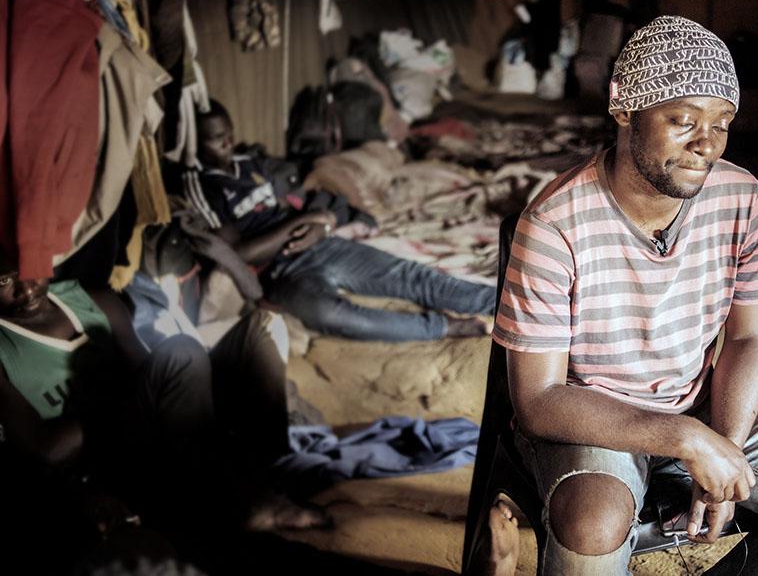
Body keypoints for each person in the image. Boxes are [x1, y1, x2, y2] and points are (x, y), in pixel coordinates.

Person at [490, 16, 758, 574]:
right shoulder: (555, 224)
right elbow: (539, 401)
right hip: (594, 410)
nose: (707, 144)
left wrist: (724, 444)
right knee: (593, 519)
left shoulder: (743, 198)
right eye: (683, 120)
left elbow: (749, 338)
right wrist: (687, 439)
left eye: (723, 123)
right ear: (625, 109)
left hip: (701, 402)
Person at [0, 259, 323, 571]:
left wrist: (144, 391)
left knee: (262, 326)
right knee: (181, 354)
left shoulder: (90, 299)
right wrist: (127, 395)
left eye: (28, 270)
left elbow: (151, 376)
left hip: (163, 432)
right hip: (108, 460)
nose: (25, 290)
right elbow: (45, 449)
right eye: (3, 281)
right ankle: (237, 498)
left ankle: (259, 474)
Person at [182, 100, 495, 342]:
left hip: (320, 244)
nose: (227, 143)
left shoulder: (249, 164)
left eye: (229, 134)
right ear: (195, 141)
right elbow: (237, 256)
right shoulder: (201, 185)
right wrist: (302, 222)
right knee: (332, 314)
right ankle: (442, 327)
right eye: (216, 139)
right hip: (278, 272)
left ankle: (500, 303)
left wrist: (323, 224)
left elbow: (285, 205)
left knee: (410, 275)